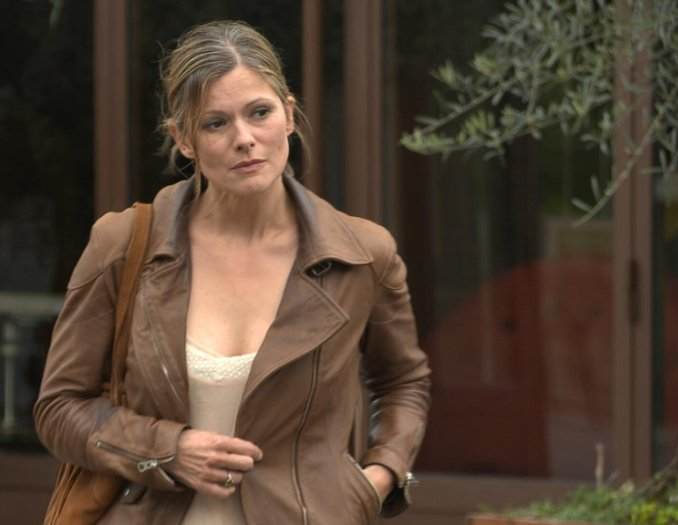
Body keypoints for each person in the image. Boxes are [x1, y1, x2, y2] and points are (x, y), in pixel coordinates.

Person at [34, 20, 430, 524]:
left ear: (289, 115)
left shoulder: (362, 255)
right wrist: (166, 448)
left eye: (259, 113)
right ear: (183, 140)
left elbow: (403, 382)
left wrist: (377, 479)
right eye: (215, 123)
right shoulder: (124, 244)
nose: (245, 139)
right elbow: (60, 407)